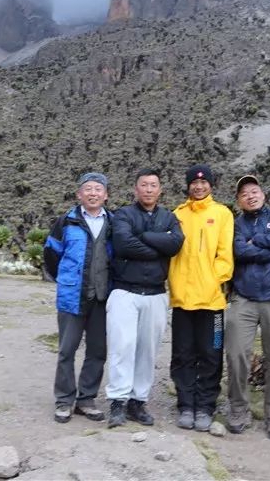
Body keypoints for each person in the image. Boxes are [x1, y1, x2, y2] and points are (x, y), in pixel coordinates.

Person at [106, 168, 184, 428]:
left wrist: (145, 238)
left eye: (153, 185)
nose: (149, 189)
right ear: (135, 189)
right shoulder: (123, 215)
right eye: (144, 185)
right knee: (122, 346)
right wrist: (157, 249)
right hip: (124, 291)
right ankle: (117, 401)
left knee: (148, 350)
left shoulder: (169, 217)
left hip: (155, 293)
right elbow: (122, 244)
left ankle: (137, 402)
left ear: (160, 190)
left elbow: (176, 245)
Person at [225, 174, 270, 441]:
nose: (250, 196)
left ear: (263, 194)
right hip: (243, 298)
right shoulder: (235, 224)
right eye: (244, 194)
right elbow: (240, 252)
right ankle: (238, 408)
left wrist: (257, 240)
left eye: (254, 191)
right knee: (235, 354)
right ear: (239, 201)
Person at [168, 164, 234, 431]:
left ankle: (206, 406)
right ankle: (185, 404)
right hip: (182, 300)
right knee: (182, 354)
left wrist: (213, 281)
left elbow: (225, 255)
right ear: (187, 186)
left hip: (212, 302)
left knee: (211, 353)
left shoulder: (222, 214)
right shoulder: (177, 215)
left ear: (211, 185)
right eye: (194, 183)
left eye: (204, 182)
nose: (199, 186)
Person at [43, 172, 113, 424]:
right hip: (72, 297)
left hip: (101, 298)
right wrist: (64, 280)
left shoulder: (113, 223)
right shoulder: (66, 222)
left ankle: (86, 400)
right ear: (79, 194)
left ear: (105, 195)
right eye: (88, 189)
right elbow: (51, 254)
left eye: (98, 189)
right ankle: (64, 400)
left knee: (97, 351)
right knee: (67, 350)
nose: (93, 193)